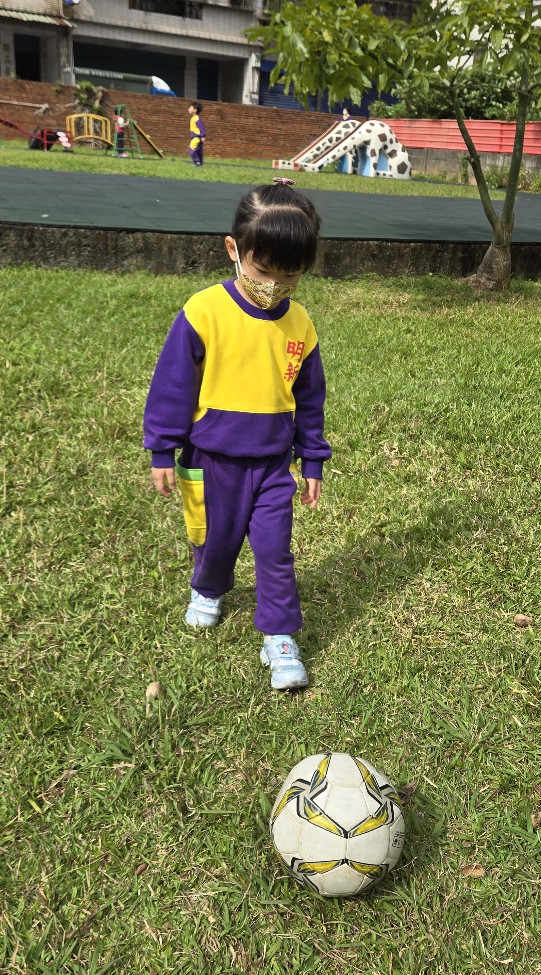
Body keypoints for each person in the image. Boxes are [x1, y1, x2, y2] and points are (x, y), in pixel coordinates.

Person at [143, 182, 330, 691]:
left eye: (290, 275)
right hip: (210, 460)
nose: (275, 285)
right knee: (214, 540)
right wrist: (161, 448)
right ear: (234, 249)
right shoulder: (204, 312)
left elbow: (309, 398)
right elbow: (172, 386)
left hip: (272, 466)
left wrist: (312, 458)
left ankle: (280, 635)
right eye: (263, 270)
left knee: (275, 552)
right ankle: (208, 587)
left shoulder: (300, 324)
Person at [188, 102, 205, 167]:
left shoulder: (196, 118)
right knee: (198, 150)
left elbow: (201, 127)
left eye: (190, 108)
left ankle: (197, 162)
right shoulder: (193, 118)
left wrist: (203, 135)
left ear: (195, 110)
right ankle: (200, 163)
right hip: (196, 137)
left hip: (197, 137)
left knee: (191, 148)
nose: (188, 109)